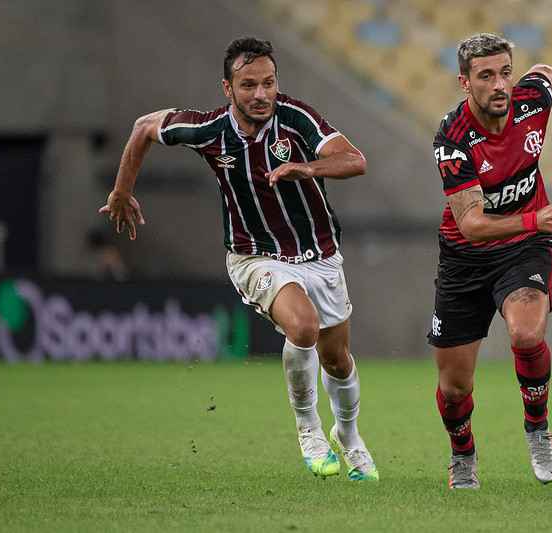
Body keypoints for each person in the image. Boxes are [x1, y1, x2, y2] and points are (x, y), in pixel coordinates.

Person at [98, 37, 378, 481]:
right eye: (249, 85)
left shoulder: (296, 118)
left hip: (320, 257)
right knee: (302, 326)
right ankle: (309, 431)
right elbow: (144, 127)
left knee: (337, 359)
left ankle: (349, 435)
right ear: (227, 88)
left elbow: (354, 160)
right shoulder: (209, 130)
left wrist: (306, 167)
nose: (262, 94)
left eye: (268, 83)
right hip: (254, 256)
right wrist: (121, 191)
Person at [428, 33, 552, 489]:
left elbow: (548, 74)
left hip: (525, 248)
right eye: (486, 76)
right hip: (465, 259)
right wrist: (534, 217)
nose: (500, 84)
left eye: (505, 72)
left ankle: (538, 430)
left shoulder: (529, 100)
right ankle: (462, 454)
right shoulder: (453, 138)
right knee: (455, 388)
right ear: (465, 82)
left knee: (525, 332)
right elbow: (472, 225)